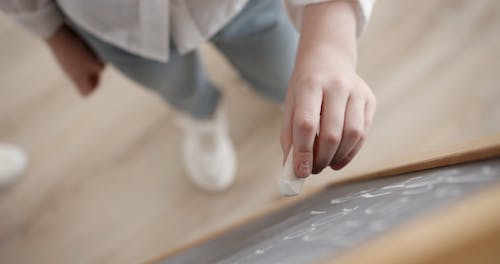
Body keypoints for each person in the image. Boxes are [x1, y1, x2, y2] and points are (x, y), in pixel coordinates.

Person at [0, 0, 376, 192]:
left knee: (279, 69)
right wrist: (50, 31)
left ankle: (272, 88)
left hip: (240, 6)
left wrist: (330, 39)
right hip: (116, 26)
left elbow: (324, 40)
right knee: (174, 85)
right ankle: (202, 117)